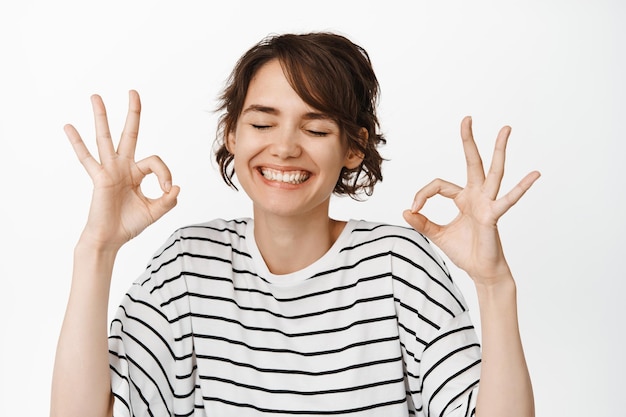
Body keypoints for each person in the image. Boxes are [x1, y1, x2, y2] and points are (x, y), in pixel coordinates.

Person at [50, 32, 538, 417]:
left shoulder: (398, 266)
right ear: (232, 134)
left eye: (316, 128)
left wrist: (494, 285)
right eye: (262, 124)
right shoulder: (189, 263)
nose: (284, 147)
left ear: (353, 148)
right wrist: (96, 249)